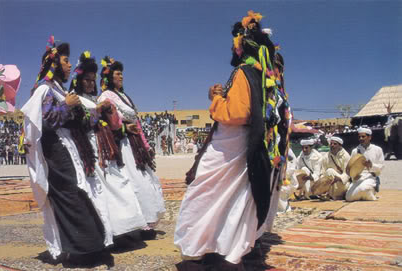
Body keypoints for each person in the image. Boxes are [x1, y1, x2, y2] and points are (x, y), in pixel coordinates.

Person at [174, 11, 291, 270]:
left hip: (230, 148)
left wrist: (215, 100)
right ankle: (227, 249)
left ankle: (199, 249)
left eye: (234, 42)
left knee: (203, 193)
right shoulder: (263, 75)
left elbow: (236, 114)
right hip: (245, 149)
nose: (232, 47)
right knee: (232, 200)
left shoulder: (244, 72)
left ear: (241, 44)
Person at [21, 36, 110, 262]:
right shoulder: (44, 90)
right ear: (54, 64)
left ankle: (89, 245)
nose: (70, 65)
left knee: (77, 193)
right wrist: (67, 106)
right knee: (71, 194)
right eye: (65, 60)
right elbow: (47, 121)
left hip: (68, 148)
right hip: (55, 152)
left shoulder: (58, 89)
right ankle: (81, 250)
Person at [69, 52, 147, 243]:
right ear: (79, 80)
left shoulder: (94, 98)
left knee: (119, 184)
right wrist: (99, 110)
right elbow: (81, 122)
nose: (89, 83)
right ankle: (110, 234)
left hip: (106, 147)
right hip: (90, 149)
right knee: (104, 191)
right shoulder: (75, 98)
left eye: (92, 80)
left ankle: (125, 230)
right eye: (86, 80)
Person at [98, 57, 165, 238]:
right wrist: (123, 128)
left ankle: (146, 223)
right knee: (133, 183)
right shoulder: (105, 97)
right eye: (118, 74)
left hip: (134, 144)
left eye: (122, 74)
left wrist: (145, 145)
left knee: (144, 180)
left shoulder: (125, 97)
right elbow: (105, 123)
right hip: (121, 145)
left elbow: (137, 123)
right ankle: (135, 226)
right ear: (109, 77)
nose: (121, 77)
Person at [346, 127, 384, 201]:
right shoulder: (355, 151)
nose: (361, 138)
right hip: (358, 177)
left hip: (371, 176)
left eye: (363, 136)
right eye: (359, 137)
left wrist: (371, 165)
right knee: (349, 198)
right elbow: (351, 167)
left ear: (370, 137)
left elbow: (381, 167)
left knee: (363, 188)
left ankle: (370, 191)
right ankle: (366, 194)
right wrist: (354, 176)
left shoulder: (377, 149)